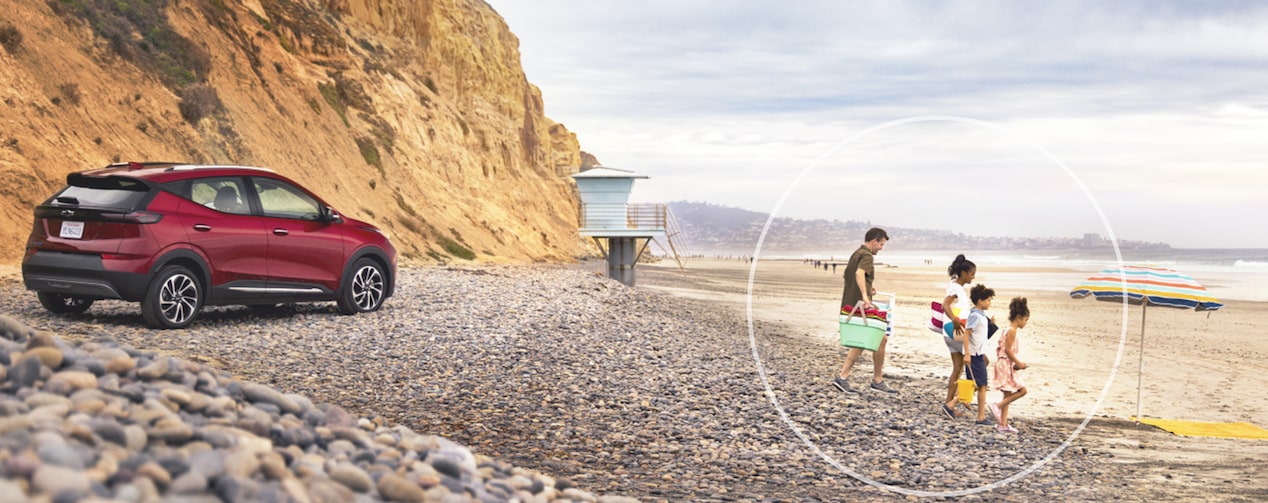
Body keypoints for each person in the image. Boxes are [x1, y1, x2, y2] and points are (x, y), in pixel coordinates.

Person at [831, 227, 896, 394]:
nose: (881, 248)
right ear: (874, 241)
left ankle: (875, 380)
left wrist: (868, 288)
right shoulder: (866, 255)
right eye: (881, 244)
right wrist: (865, 297)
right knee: (867, 340)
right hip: (858, 305)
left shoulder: (856, 253)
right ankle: (847, 378)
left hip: (850, 304)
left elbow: (848, 275)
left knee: (877, 340)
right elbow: (859, 274)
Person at [939, 255, 976, 418]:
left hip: (948, 333)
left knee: (957, 368)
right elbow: (945, 304)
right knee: (981, 361)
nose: (973, 276)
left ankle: (949, 405)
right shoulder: (956, 288)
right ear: (963, 273)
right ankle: (958, 399)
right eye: (971, 273)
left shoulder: (955, 286)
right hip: (955, 330)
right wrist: (954, 320)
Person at [990, 297, 1030, 433]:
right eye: (1025, 320)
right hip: (1005, 363)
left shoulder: (1006, 329)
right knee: (1022, 390)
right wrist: (1019, 363)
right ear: (1019, 318)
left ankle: (1003, 424)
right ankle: (997, 406)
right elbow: (1007, 350)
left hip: (1004, 363)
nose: (1025, 323)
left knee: (1007, 395)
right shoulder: (1012, 331)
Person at [960, 284, 996, 426]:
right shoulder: (975, 315)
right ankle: (980, 417)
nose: (989, 303)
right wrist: (967, 353)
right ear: (980, 301)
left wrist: (992, 325)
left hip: (978, 354)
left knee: (977, 383)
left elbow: (982, 336)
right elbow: (967, 334)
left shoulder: (981, 316)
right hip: (974, 355)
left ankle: (956, 401)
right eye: (988, 300)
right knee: (982, 385)